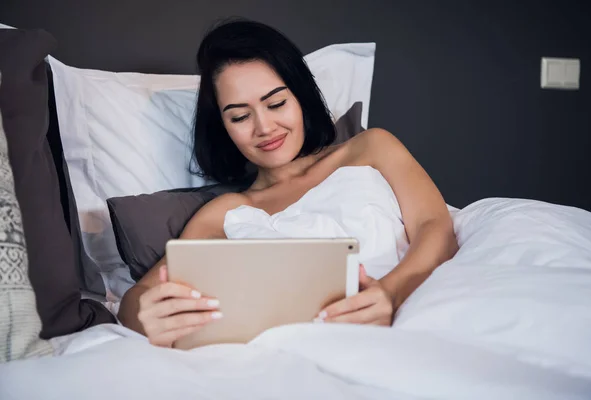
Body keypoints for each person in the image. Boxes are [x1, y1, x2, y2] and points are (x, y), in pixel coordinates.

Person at [118, 18, 459, 348]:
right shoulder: (227, 212)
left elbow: (436, 228)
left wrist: (388, 293)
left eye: (276, 103)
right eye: (240, 116)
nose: (264, 127)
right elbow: (136, 299)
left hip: (414, 320)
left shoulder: (372, 148)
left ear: (300, 97)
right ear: (222, 127)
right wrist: (143, 316)